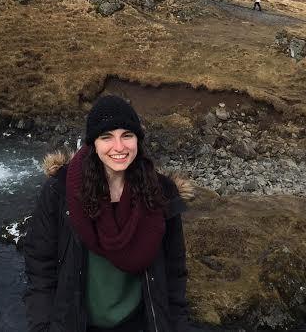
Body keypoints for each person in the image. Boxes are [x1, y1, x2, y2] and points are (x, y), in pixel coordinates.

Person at [24, 95, 191, 332]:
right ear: (93, 144)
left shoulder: (160, 193)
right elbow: (41, 270)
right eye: (107, 137)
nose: (119, 147)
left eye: (127, 135)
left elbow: (174, 274)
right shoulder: (60, 192)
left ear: (138, 140)